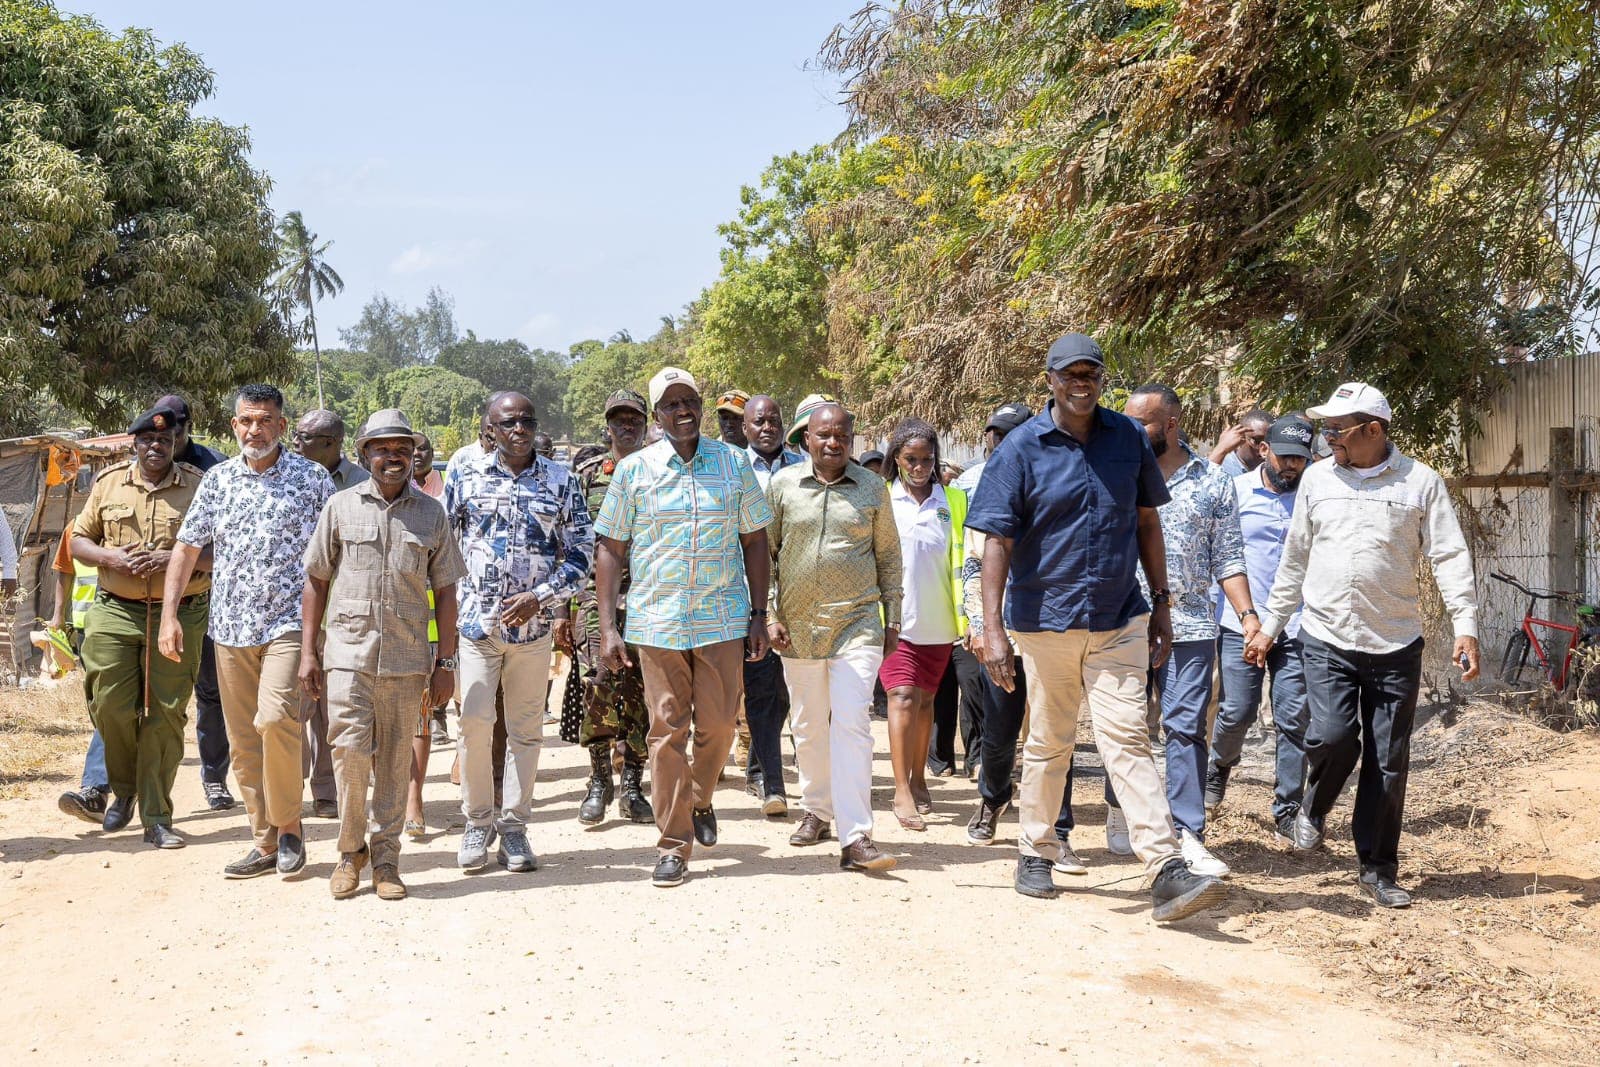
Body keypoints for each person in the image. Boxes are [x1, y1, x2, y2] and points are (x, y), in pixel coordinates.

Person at [967, 331, 1227, 921]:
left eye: (1090, 374)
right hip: (1045, 621)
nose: (1081, 384)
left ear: (1101, 380)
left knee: (1128, 738)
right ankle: (1035, 850)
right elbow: (996, 543)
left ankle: (1164, 867)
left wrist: (1161, 603)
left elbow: (1145, 523)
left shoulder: (1127, 439)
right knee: (1050, 740)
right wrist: (993, 628)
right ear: (1051, 381)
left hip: (1117, 618)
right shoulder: (1022, 449)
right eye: (1070, 375)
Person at [1246, 383, 1480, 908]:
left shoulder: (1420, 482)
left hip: (1395, 642)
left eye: (1336, 430)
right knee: (1331, 736)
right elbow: (1295, 558)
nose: (1326, 439)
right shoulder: (1317, 481)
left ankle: (1377, 868)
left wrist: (1465, 625)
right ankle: (1315, 803)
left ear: (1373, 430)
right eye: (1324, 430)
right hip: (1326, 635)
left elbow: (1448, 555)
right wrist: (1269, 624)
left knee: (1388, 761)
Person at [593, 366, 772, 888]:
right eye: (670, 404)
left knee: (716, 728)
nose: (682, 410)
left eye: (688, 400)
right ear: (658, 416)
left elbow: (755, 541)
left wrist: (759, 615)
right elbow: (610, 548)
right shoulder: (634, 472)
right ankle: (673, 843)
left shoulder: (733, 464)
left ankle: (700, 798)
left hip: (721, 620)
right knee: (666, 730)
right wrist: (608, 626)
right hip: (657, 623)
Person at [160, 384, 334, 879]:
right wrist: (170, 615)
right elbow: (187, 549)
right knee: (243, 740)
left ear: (282, 425)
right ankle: (263, 841)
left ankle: (289, 829)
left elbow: (332, 555)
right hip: (230, 627)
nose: (254, 430)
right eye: (245, 421)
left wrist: (325, 631)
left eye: (264, 421)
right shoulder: (217, 481)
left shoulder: (312, 479)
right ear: (233, 425)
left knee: (277, 719)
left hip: (289, 625)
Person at [302, 409, 465, 900]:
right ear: (364, 453)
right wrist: (310, 652)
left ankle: (387, 859)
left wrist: (447, 662)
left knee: (395, 761)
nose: (393, 457)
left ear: (413, 455)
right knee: (349, 754)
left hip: (407, 657)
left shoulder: (431, 514)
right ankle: (351, 853)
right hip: (348, 656)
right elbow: (316, 579)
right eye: (382, 448)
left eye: (402, 449)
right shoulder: (340, 507)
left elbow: (447, 593)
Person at [444, 392, 593, 873]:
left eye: (527, 421)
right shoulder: (464, 475)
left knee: (526, 733)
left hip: (533, 630)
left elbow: (581, 554)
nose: (519, 429)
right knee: (474, 724)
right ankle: (476, 821)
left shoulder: (561, 480)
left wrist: (541, 597)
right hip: (476, 627)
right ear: (489, 427)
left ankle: (514, 828)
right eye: (508, 422)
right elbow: (444, 547)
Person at [1119, 384, 1256, 879]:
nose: (1132, 432)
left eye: (1143, 424)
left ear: (1171, 424)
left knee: (1182, 726)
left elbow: (1229, 558)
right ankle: (1125, 811)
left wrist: (1247, 616)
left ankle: (1187, 832)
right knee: (1127, 728)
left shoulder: (1213, 481)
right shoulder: (1118, 474)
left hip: (1192, 625)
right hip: (1124, 621)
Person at [767, 402, 901, 872]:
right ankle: (817, 809)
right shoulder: (783, 486)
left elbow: (888, 557)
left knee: (852, 722)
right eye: (824, 435)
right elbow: (767, 554)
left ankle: (857, 835)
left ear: (852, 438)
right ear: (806, 438)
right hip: (796, 625)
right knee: (806, 724)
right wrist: (767, 613)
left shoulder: (872, 488)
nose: (833, 442)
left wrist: (895, 618)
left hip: (858, 622)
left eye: (842, 434)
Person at [71, 406, 209, 849]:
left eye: (165, 442)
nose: (156, 447)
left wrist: (175, 558)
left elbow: (224, 551)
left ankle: (156, 815)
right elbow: (77, 540)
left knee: (165, 713)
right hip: (115, 608)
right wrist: (111, 558)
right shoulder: (109, 482)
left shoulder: (200, 487)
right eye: (148, 441)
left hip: (180, 610)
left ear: (176, 444)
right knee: (109, 705)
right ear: (135, 443)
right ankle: (124, 788)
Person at [1207, 416, 1314, 842]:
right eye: (1285, 456)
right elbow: (1219, 554)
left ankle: (1288, 809)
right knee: (1238, 711)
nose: (1292, 467)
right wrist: (1248, 615)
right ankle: (1217, 770)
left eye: (1300, 460)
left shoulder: (1312, 495)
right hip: (1241, 621)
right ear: (1264, 450)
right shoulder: (1235, 491)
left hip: (1297, 622)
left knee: (1293, 718)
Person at [566, 389, 654, 827]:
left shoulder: (658, 471)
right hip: (593, 598)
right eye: (618, 418)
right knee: (597, 685)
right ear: (607, 424)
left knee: (642, 692)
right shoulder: (586, 474)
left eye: (634, 418)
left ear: (644, 422)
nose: (626, 425)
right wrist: (568, 610)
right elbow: (572, 542)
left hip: (648, 598)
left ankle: (634, 785)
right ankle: (600, 779)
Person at [879, 418, 965, 831]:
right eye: (910, 459)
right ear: (896, 458)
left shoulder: (953, 501)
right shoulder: (881, 500)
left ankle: (919, 778)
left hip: (939, 618)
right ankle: (900, 789)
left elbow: (965, 559)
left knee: (926, 701)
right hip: (893, 619)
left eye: (926, 460)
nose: (919, 467)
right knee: (901, 698)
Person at [152, 394, 236, 810]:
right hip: (145, 603)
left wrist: (178, 559)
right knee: (144, 697)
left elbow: (228, 544)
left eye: (174, 433)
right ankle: (114, 786)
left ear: (188, 430)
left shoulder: (215, 469)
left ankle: (214, 779)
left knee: (211, 696)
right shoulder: (135, 467)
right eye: (158, 433)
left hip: (204, 598)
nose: (163, 441)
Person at [943, 402, 1033, 779]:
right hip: (995, 621)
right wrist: (976, 621)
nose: (999, 441)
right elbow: (970, 561)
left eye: (1008, 434)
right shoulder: (970, 484)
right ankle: (992, 787)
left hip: (1042, 619)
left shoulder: (1049, 476)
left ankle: (1038, 794)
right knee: (995, 712)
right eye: (994, 434)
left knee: (1042, 720)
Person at [291, 409, 369, 820]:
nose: (296, 444)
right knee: (289, 707)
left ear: (332, 444)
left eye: (306, 438)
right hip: (293, 610)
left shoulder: (360, 485)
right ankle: (287, 786)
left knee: (330, 710)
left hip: (342, 614)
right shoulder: (286, 479)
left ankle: (326, 792)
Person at [740, 393, 804, 815]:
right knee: (762, 687)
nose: (767, 427)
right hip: (748, 598)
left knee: (790, 692)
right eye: (759, 421)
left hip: (798, 597)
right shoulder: (730, 467)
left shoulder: (803, 467)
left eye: (774, 420)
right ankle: (771, 783)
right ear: (745, 428)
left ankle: (760, 766)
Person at [951, 403, 1031, 495]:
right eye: (998, 433)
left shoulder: (1042, 477)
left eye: (1010, 434)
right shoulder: (967, 477)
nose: (1002, 439)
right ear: (985, 436)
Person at [1210, 409, 1275, 478]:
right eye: (1257, 441)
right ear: (1239, 437)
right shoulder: (1219, 468)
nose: (1264, 449)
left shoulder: (1276, 471)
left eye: (1270, 442)